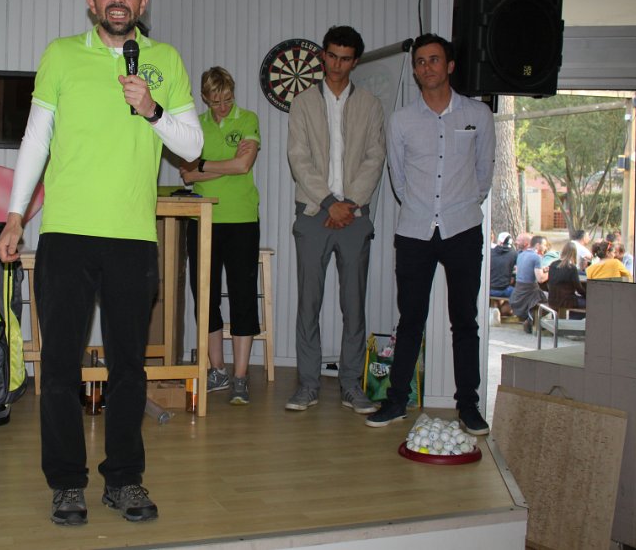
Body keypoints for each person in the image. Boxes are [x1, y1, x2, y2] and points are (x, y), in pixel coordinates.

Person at [0, 0, 202, 526]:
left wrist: (152, 109)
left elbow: (191, 146)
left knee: (128, 368)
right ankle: (66, 483)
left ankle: (124, 480)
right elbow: (36, 139)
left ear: (143, 1)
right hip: (66, 235)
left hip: (132, 238)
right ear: (91, 1)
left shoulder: (164, 60)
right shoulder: (61, 54)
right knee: (60, 366)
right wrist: (15, 215)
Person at [365, 33, 494, 435]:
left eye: (434, 60)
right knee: (410, 320)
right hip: (414, 231)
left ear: (450, 66)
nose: (427, 67)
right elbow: (399, 180)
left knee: (465, 321)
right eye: (420, 62)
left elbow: (484, 173)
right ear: (415, 70)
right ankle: (396, 401)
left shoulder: (478, 114)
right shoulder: (401, 120)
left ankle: (468, 406)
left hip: (463, 230)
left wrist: (459, 205)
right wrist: (423, 208)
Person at [285, 25, 386, 414]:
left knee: (354, 305)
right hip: (314, 213)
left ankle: (351, 385)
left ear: (355, 61)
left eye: (345, 58)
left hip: (354, 217)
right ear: (322, 56)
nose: (337, 64)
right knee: (308, 303)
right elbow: (298, 158)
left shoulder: (371, 105)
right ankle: (308, 385)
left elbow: (375, 158)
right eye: (331, 56)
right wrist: (329, 202)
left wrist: (349, 204)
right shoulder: (303, 103)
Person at [178, 67, 261, 405]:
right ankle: (218, 371)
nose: (223, 107)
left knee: (243, 296)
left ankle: (240, 377)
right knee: (205, 296)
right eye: (216, 101)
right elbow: (186, 175)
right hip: (203, 220)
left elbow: (243, 166)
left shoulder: (248, 119)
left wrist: (204, 165)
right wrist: (220, 164)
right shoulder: (194, 126)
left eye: (228, 99)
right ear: (205, 98)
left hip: (242, 220)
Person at [509, 234, 549, 332]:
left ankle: (530, 318)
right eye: (544, 245)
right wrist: (550, 272)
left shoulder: (521, 255)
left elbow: (524, 271)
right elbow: (540, 279)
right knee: (552, 300)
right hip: (531, 292)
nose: (545, 248)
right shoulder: (536, 257)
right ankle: (531, 318)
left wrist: (542, 270)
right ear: (538, 245)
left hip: (518, 291)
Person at [546, 241, 586, 313]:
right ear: (574, 253)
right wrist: (587, 295)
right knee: (591, 303)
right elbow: (579, 288)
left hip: (552, 301)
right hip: (567, 302)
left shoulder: (553, 264)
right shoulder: (571, 268)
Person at [489, 232, 516, 299]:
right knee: (520, 294)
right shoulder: (514, 254)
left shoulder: (490, 252)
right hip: (505, 289)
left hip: (488, 289)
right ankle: (504, 306)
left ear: (500, 242)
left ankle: (495, 305)